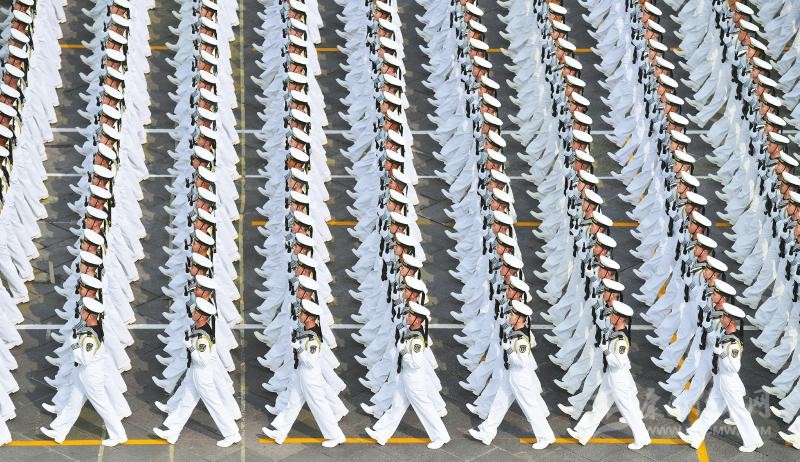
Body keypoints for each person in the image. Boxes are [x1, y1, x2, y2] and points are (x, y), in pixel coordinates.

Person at [152, 300, 241, 447]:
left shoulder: (203, 338)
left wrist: (191, 347)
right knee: (186, 403)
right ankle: (172, 432)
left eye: (196, 312)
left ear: (203, 317)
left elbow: (203, 361)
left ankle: (232, 434)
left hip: (202, 375)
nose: (193, 313)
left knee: (215, 405)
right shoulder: (200, 329)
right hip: (195, 373)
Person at [467, 301, 555, 449]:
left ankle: (546, 437)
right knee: (499, 404)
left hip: (520, 377)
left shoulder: (522, 340)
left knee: (531, 408)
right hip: (510, 375)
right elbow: (506, 330)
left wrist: (509, 350)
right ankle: (487, 433)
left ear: (520, 319)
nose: (510, 316)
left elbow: (522, 363)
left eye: (513, 315)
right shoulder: (515, 330)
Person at [40, 298, 128, 446]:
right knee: (73, 403)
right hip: (84, 373)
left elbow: (84, 358)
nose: (81, 311)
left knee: (103, 406)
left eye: (84, 310)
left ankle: (119, 435)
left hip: (90, 375)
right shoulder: (88, 325)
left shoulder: (92, 336)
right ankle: (59, 432)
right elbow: (76, 334)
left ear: (90, 314)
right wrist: (75, 337)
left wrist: (74, 344)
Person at [678, 304, 764, 452]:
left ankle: (753, 441)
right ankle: (695, 436)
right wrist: (709, 329)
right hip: (721, 378)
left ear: (731, 322)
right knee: (711, 408)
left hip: (729, 381)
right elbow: (715, 341)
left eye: (725, 317)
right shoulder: (725, 334)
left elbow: (735, 367)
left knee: (739, 411)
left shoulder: (733, 343)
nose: (722, 318)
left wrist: (722, 354)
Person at [567, 301, 651, 450]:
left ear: (621, 319)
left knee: (628, 410)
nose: (611, 316)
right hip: (610, 376)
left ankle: (642, 438)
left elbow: (618, 363)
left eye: (614, 315)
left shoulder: (620, 341)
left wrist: (606, 351)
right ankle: (582, 433)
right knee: (599, 406)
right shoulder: (615, 331)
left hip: (619, 378)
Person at [365, 303, 450, 449]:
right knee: (397, 405)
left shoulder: (416, 340)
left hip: (414, 379)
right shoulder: (411, 330)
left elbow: (416, 363)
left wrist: (403, 352)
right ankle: (381, 433)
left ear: (418, 320)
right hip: (406, 376)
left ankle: (441, 437)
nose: (408, 317)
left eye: (410, 315)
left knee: (425, 408)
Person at [262, 300, 346, 447]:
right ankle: (280, 432)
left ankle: (336, 436)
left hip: (310, 376)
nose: (300, 314)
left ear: (310, 318)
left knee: (319, 406)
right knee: (292, 403)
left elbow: (310, 362)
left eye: (303, 313)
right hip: (301, 373)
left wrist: (298, 348)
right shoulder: (306, 330)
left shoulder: (313, 339)